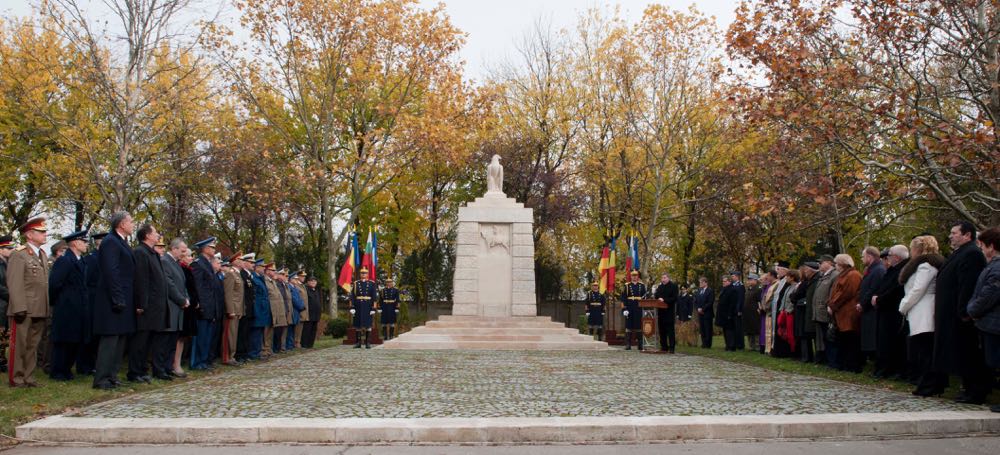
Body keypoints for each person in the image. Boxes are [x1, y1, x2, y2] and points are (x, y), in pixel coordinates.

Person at [935, 221, 991, 404]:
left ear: (967, 235)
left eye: (954, 232)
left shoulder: (972, 254)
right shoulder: (961, 253)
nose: (950, 236)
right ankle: (967, 387)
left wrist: (964, 311)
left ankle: (975, 390)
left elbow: (967, 284)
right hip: (952, 313)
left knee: (968, 353)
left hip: (961, 315)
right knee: (960, 353)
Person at [92, 212, 136, 390]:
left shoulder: (121, 242)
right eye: (131, 221)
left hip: (124, 296)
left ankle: (112, 375)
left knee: (120, 338)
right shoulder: (110, 241)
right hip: (113, 298)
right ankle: (101, 378)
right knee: (110, 338)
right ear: (121, 224)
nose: (133, 225)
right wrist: (118, 297)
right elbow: (112, 272)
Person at [899, 235, 946, 396]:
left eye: (912, 248)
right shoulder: (924, 264)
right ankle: (930, 383)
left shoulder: (926, 266)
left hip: (924, 310)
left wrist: (904, 305)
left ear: (918, 249)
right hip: (919, 308)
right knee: (923, 351)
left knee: (926, 352)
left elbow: (918, 289)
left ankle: (930, 384)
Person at [6, 218, 49, 388]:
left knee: (33, 345)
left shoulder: (42, 254)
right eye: (41, 232)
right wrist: (19, 307)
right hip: (24, 308)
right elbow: (14, 282)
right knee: (20, 346)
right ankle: (16, 378)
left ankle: (29, 377)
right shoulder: (19, 254)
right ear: (30, 235)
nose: (45, 234)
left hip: (39, 307)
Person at [47, 229, 90, 381]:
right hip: (66, 307)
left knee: (74, 340)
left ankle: (67, 369)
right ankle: (58, 370)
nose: (86, 244)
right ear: (75, 243)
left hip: (79, 307)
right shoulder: (65, 261)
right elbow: (54, 284)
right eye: (84, 241)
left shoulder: (81, 260)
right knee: (64, 340)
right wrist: (58, 302)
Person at [128, 225, 169, 383]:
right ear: (146, 235)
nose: (158, 235)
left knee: (148, 341)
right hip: (146, 306)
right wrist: (141, 304)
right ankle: (134, 372)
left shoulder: (152, 253)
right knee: (140, 341)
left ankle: (142, 369)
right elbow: (141, 280)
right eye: (155, 233)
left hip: (155, 306)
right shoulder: (140, 252)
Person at [966, 227, 1000, 413]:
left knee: (996, 361)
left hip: (994, 323)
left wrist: (972, 309)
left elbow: (988, 295)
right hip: (990, 322)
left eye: (982, 245)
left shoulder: (996, 268)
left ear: (991, 246)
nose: (981, 249)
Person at [871, 244, 910, 379]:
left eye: (890, 255)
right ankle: (883, 368)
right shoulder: (892, 270)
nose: (888, 258)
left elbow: (895, 290)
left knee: (891, 342)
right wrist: (876, 297)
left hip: (893, 310)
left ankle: (892, 369)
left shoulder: (902, 270)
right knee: (883, 341)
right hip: (884, 308)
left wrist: (880, 299)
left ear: (897, 257)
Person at [75, 232, 107, 376]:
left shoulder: (105, 258)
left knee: (98, 336)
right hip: (93, 300)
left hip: (102, 300)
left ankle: (94, 363)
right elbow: (87, 281)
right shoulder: (92, 259)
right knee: (90, 335)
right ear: (99, 243)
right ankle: (85, 365)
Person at [190, 237, 222, 371]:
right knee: (201, 335)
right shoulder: (198, 264)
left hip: (211, 306)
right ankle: (197, 362)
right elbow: (198, 287)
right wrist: (201, 305)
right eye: (212, 247)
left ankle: (204, 361)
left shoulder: (208, 264)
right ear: (205, 249)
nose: (214, 250)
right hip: (204, 306)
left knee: (208, 336)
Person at [828, 254, 863, 373]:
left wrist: (833, 305)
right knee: (844, 340)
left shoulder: (853, 275)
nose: (836, 266)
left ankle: (853, 365)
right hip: (841, 313)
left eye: (837, 263)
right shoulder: (843, 275)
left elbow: (846, 293)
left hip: (849, 313)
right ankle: (845, 364)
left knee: (851, 340)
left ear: (843, 264)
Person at [160, 238, 190, 378]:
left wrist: (186, 298)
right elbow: (169, 284)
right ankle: (160, 369)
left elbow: (182, 285)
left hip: (179, 307)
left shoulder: (176, 263)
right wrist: (181, 299)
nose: (184, 254)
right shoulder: (165, 261)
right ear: (174, 248)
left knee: (173, 340)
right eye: (182, 251)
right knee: (165, 341)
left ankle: (168, 367)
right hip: (171, 306)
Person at [858, 246, 886, 367]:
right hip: (867, 309)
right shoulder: (872, 269)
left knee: (873, 338)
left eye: (863, 256)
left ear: (870, 256)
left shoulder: (878, 270)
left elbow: (873, 289)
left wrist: (863, 303)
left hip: (872, 310)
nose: (862, 259)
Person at [812, 255, 838, 365]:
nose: (819, 265)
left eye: (821, 263)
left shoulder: (834, 275)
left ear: (829, 263)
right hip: (819, 311)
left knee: (829, 337)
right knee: (823, 337)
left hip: (826, 311)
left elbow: (832, 293)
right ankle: (826, 359)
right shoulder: (823, 276)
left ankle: (832, 361)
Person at [792, 263, 820, 362]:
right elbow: (793, 295)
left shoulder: (807, 282)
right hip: (801, 311)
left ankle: (808, 356)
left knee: (806, 335)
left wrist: (794, 297)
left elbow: (797, 295)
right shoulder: (804, 282)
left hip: (804, 311)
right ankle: (805, 356)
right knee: (803, 335)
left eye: (803, 271)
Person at [221, 253, 244, 365]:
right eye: (240, 259)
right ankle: (227, 357)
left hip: (238, 309)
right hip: (232, 309)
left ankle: (232, 356)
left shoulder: (238, 274)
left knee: (234, 334)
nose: (242, 261)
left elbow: (240, 295)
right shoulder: (230, 274)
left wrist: (241, 309)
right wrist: (230, 310)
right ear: (234, 261)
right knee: (229, 334)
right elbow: (228, 293)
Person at [248, 259, 271, 359]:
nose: (264, 269)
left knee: (260, 331)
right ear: (256, 267)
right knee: (255, 332)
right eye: (262, 267)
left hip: (263, 309)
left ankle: (257, 351)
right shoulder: (254, 278)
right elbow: (255, 296)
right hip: (258, 308)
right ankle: (254, 353)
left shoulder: (260, 278)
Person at [235, 253, 256, 360]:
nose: (253, 264)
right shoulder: (242, 274)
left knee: (246, 332)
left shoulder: (248, 275)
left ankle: (245, 353)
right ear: (245, 263)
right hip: (244, 307)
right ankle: (240, 354)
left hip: (249, 308)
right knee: (242, 332)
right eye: (251, 262)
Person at [351, 267, 378, 349]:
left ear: (367, 274)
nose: (363, 274)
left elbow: (374, 296)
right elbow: (352, 296)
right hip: (358, 305)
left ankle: (367, 343)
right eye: (362, 273)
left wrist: (373, 308)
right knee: (358, 325)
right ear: (360, 274)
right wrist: (352, 307)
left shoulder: (372, 283)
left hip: (368, 306)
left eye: (365, 273)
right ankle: (358, 343)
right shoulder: (356, 283)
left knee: (368, 325)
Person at [620, 270, 645, 351]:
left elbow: (645, 297)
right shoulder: (627, 286)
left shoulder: (642, 285)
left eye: (636, 275)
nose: (634, 277)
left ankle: (640, 344)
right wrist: (624, 309)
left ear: (638, 277)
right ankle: (628, 344)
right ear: (631, 277)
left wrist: (645, 308)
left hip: (638, 307)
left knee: (639, 326)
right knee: (629, 326)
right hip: (630, 307)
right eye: (633, 276)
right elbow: (623, 298)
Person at [777, 270, 800, 357]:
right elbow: (784, 299)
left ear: (792, 277)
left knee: (790, 332)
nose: (786, 278)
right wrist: (781, 309)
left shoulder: (795, 287)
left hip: (790, 313)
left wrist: (789, 310)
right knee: (783, 331)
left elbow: (792, 301)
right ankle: (787, 350)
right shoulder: (788, 287)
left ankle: (793, 351)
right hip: (784, 312)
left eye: (788, 276)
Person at [264, 263, 286, 354]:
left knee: (270, 331)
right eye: (273, 270)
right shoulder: (265, 281)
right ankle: (265, 349)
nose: (275, 272)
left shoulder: (272, 281)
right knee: (266, 331)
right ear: (268, 271)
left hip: (276, 309)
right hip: (270, 309)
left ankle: (268, 348)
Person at [0, 235, 14, 374]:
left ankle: (2, 361)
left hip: (5, 304)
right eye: (8, 248)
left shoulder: (7, 264)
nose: (11, 250)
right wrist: (12, 294)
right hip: (1, 303)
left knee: (4, 335)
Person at [654, 273, 678, 353]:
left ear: (668, 278)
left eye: (664, 278)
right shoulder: (660, 287)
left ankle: (671, 348)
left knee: (670, 331)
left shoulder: (673, 286)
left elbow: (674, 298)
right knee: (662, 330)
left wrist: (664, 300)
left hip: (669, 311)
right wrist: (658, 297)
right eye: (662, 278)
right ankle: (664, 347)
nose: (663, 279)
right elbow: (656, 295)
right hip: (661, 312)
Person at [717, 276, 740, 351]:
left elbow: (732, 303)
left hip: (729, 314)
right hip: (723, 314)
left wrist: (730, 314)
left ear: (729, 281)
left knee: (730, 330)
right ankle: (727, 345)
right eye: (723, 281)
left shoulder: (732, 289)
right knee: (725, 330)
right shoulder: (724, 289)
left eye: (724, 281)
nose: (723, 283)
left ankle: (731, 346)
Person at [743, 274, 762, 350]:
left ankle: (757, 345)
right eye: (748, 279)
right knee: (749, 329)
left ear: (755, 280)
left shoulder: (758, 289)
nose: (749, 281)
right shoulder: (748, 289)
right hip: (747, 313)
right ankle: (751, 345)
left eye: (751, 279)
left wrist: (759, 308)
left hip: (755, 312)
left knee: (756, 328)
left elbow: (759, 301)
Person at [694, 276, 714, 349]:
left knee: (708, 329)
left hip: (707, 313)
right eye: (699, 282)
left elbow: (710, 302)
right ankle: (704, 343)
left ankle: (708, 344)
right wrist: (698, 308)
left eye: (701, 282)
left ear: (705, 283)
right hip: (700, 313)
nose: (700, 284)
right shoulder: (699, 291)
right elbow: (695, 301)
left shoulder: (710, 291)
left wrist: (702, 309)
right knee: (702, 329)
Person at [302, 276, 322, 348]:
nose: (313, 282)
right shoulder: (306, 290)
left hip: (316, 314)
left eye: (315, 281)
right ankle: (305, 344)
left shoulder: (316, 290)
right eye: (311, 281)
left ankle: (311, 344)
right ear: (308, 282)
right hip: (309, 313)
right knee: (307, 329)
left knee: (313, 329)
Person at [291, 272, 309, 348]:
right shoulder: (296, 285)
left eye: (304, 276)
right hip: (299, 309)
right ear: (298, 277)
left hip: (304, 309)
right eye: (302, 276)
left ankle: (298, 341)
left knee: (301, 327)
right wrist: (301, 307)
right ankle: (295, 342)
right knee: (297, 327)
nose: (303, 278)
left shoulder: (303, 286)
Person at [730, 271, 746, 350]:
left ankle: (740, 345)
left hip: (737, 310)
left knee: (738, 328)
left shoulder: (741, 286)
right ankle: (735, 343)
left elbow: (740, 299)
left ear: (737, 277)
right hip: (732, 309)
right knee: (733, 328)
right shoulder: (732, 285)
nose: (732, 278)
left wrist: (739, 310)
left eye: (733, 276)